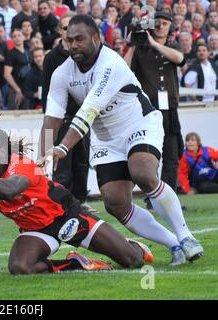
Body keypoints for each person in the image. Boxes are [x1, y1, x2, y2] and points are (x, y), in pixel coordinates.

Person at [40, 15, 203, 266]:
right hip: (106, 139)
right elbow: (51, 118)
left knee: (142, 173)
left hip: (139, 123)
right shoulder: (62, 73)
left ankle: (187, 237)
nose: (73, 45)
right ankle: (175, 245)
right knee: (115, 203)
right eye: (69, 40)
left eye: (79, 39)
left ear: (96, 38)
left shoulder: (110, 62)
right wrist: (44, 159)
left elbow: (88, 111)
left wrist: (62, 147)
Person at [0, 117, 154, 275]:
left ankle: (131, 245)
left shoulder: (21, 164)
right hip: (36, 230)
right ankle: (74, 263)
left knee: (133, 261)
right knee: (19, 267)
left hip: (68, 216)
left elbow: (10, 189)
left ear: (5, 151)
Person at [124, 11, 186, 210]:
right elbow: (123, 70)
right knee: (148, 153)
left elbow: (180, 59)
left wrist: (154, 43)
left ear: (170, 27)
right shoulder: (140, 48)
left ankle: (168, 198)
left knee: (172, 153)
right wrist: (133, 43)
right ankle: (153, 196)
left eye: (165, 23)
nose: (160, 26)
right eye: (157, 23)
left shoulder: (172, 45)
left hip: (170, 108)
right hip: (148, 110)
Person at [41, 12, 92, 208]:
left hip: (82, 117)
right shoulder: (52, 58)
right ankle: (62, 205)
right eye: (65, 28)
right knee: (62, 165)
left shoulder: (85, 54)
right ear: (59, 32)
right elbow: (48, 93)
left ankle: (80, 203)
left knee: (82, 163)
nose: (69, 33)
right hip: (61, 119)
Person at [4, 28, 31, 110]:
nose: (17, 38)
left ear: (23, 37)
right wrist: (18, 90)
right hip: (15, 90)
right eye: (14, 36)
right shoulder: (11, 54)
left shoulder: (28, 51)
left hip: (27, 90)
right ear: (12, 39)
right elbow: (7, 74)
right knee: (13, 116)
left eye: (19, 35)